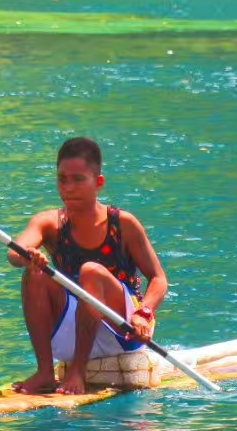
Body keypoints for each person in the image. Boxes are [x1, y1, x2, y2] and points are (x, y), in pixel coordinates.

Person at [9, 137, 167, 395]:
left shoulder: (124, 223)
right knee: (34, 275)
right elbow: (14, 254)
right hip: (74, 327)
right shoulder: (49, 222)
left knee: (91, 271)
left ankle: (77, 371)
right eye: (62, 179)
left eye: (78, 179)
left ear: (99, 182)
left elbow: (159, 279)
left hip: (122, 329)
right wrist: (27, 256)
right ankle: (45, 373)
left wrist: (145, 313)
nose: (68, 188)